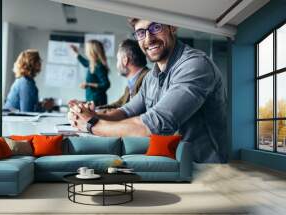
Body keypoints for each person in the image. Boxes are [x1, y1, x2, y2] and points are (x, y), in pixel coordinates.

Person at [68, 19, 227, 163]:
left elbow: (155, 125)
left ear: (172, 26)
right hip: (170, 162)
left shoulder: (195, 65)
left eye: (155, 27)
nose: (148, 38)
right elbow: (126, 111)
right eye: (141, 33)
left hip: (206, 169)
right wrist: (89, 115)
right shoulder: (152, 77)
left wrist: (91, 125)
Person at [97, 39, 149, 111]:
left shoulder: (147, 79)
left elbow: (134, 112)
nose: (117, 64)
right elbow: (120, 103)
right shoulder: (132, 82)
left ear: (125, 60)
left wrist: (95, 112)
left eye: (118, 59)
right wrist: (95, 110)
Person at [70, 40, 110, 106]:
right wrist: (76, 52)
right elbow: (84, 62)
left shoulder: (99, 66)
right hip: (92, 100)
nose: (86, 51)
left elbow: (106, 84)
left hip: (98, 101)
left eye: (87, 49)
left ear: (92, 51)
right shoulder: (92, 64)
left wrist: (88, 84)